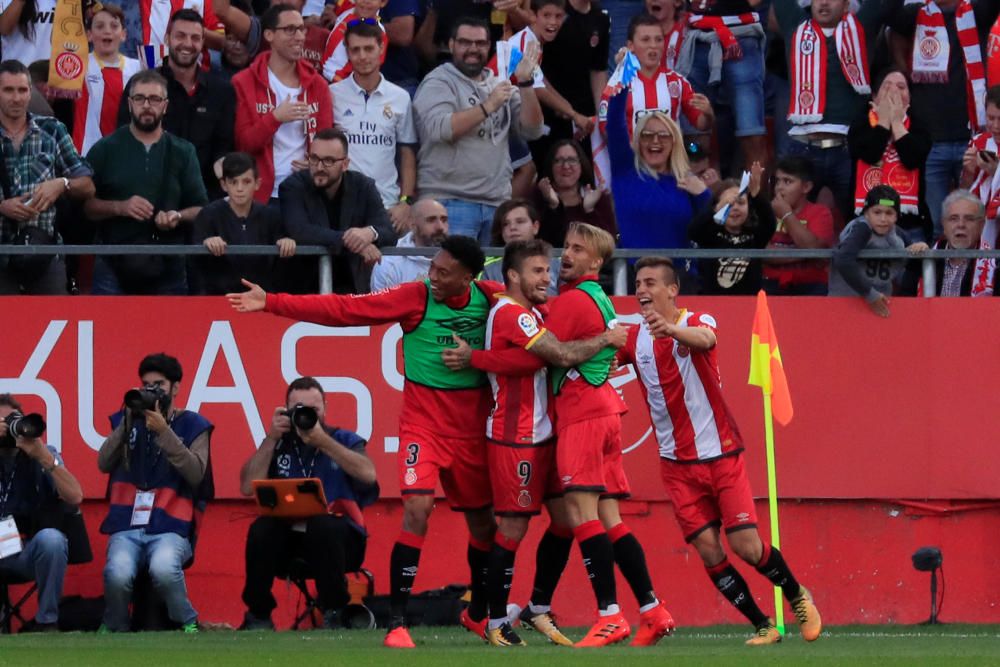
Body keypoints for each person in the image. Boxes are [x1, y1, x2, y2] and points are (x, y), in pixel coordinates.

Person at [227, 235, 501, 650]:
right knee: (417, 507)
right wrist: (273, 302)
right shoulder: (415, 296)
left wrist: (480, 359)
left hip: (473, 433)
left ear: (469, 277)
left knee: (484, 527)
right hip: (423, 427)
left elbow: (540, 333)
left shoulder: (495, 301)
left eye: (444, 272)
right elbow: (345, 309)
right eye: (433, 267)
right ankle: (397, 624)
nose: (433, 276)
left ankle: (480, 612)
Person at [617, 256, 823, 646]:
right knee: (709, 552)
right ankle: (763, 626)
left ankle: (798, 595)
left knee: (745, 545)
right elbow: (608, 353)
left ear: (672, 290)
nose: (641, 291)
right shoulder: (634, 338)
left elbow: (707, 341)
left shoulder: (698, 321)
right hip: (676, 464)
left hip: (720, 455)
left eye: (649, 283)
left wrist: (673, 330)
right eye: (638, 284)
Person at [441, 238, 630, 646]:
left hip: (544, 434)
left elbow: (535, 359)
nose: (548, 277)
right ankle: (493, 620)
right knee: (512, 527)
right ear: (513, 275)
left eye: (548, 269)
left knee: (564, 520)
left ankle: (538, 607)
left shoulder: (531, 311)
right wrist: (605, 341)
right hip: (517, 437)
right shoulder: (514, 314)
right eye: (538, 271)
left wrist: (477, 356)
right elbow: (557, 355)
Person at [238, 376, 378, 630]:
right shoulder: (278, 443)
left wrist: (322, 441)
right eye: (299, 410)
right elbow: (248, 486)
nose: (306, 416)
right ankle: (258, 614)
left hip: (340, 541)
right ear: (286, 412)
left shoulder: (344, 439)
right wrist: (270, 440)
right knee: (261, 528)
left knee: (323, 524)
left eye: (313, 410)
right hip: (289, 542)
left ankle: (335, 609)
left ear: (325, 407)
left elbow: (369, 474)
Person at [97, 353, 213, 633]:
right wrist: (126, 422)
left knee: (163, 568)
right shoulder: (127, 421)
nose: (152, 392)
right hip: (127, 524)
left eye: (159, 385)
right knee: (117, 573)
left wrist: (164, 432)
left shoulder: (194, 425)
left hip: (172, 526)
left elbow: (196, 472)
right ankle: (116, 627)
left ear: (176, 387)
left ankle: (187, 621)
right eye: (146, 385)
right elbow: (103, 463)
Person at [412, 17, 544, 244]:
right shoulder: (438, 81)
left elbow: (533, 130)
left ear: (489, 46)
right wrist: (488, 106)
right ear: (451, 45)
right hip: (448, 203)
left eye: (480, 43)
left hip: (497, 204)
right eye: (465, 42)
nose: (473, 49)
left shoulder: (498, 84)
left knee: (490, 280)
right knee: (453, 278)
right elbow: (441, 129)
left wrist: (525, 83)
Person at [85, 68, 208, 296]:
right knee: (108, 330)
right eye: (140, 98)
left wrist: (177, 216)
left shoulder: (183, 151)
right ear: (130, 104)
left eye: (155, 99)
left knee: (170, 331)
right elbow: (86, 207)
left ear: (165, 105)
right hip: (113, 262)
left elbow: (201, 208)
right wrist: (119, 207)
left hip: (168, 262)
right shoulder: (105, 148)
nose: (147, 105)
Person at [885, 0, 1000, 237]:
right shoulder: (915, 13)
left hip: (973, 139)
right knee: (940, 226)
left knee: (975, 224)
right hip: (932, 142)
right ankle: (938, 275)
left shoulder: (977, 11)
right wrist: (900, 65)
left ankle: (972, 275)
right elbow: (888, 13)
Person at [774, 0, 888, 222]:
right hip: (801, 147)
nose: (824, 3)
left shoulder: (861, 27)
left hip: (848, 150)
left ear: (847, 5)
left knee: (859, 220)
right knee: (789, 219)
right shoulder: (795, 26)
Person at [119, 9, 237, 200]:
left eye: (195, 38)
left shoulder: (222, 91)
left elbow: (224, 148)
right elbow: (125, 139)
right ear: (167, 39)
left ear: (202, 42)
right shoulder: (141, 85)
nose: (188, 44)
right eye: (180, 36)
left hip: (204, 198)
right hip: (149, 196)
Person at [0, 59, 95, 296]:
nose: (17, 97)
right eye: (8, 90)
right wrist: (2, 207)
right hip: (2, 254)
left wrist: (62, 184)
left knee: (56, 328)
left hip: (45, 255)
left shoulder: (52, 129)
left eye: (22, 90)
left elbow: (88, 186)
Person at [232, 3, 333, 204]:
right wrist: (276, 117)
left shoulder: (318, 85)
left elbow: (327, 144)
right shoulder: (243, 82)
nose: (299, 36)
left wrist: (315, 164)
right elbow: (244, 144)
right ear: (269, 35)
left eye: (301, 29)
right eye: (289, 30)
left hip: (306, 193)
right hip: (260, 195)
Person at [0, 394, 84, 632]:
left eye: (12, 422)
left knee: (52, 540)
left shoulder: (42, 452)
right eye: (2, 423)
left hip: (25, 550)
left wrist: (43, 457)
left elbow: (75, 496)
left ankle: (48, 622)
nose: (8, 430)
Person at [279, 127, 396, 294]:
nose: (319, 166)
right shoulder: (292, 187)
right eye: (314, 158)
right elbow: (299, 230)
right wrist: (353, 241)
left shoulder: (363, 186)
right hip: (304, 288)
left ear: (345, 164)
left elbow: (388, 232)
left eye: (328, 161)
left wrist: (369, 233)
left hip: (353, 288)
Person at [330, 19, 416, 230]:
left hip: (386, 204)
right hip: (342, 202)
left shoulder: (400, 97)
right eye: (355, 50)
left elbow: (407, 152)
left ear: (381, 48)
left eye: (368, 48)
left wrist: (405, 201)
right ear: (347, 53)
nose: (362, 56)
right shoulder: (333, 94)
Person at [605, 85, 709, 251]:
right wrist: (623, 75)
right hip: (637, 273)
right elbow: (615, 124)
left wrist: (704, 195)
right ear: (638, 142)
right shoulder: (626, 172)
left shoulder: (688, 183)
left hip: (680, 274)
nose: (655, 141)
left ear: (674, 142)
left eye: (663, 135)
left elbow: (713, 229)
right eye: (647, 135)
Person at [676, 0, 768, 171]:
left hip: (740, 36)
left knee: (751, 134)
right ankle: (700, 193)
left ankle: (755, 197)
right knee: (692, 134)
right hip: (698, 36)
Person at [193, 151, 297, 294]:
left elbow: (283, 264)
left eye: (246, 181)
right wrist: (206, 243)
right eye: (233, 182)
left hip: (262, 299)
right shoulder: (208, 215)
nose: (240, 188)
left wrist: (287, 242)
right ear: (224, 184)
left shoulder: (272, 216)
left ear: (257, 183)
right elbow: (195, 259)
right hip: (219, 299)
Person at [848, 69, 932, 244]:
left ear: (909, 96)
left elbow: (912, 159)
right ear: (874, 95)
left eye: (901, 87)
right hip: (865, 224)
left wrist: (896, 123)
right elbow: (870, 154)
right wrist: (884, 121)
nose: (894, 92)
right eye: (887, 87)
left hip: (909, 225)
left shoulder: (919, 125)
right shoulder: (860, 123)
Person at [600, 15, 712, 140]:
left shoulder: (677, 82)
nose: (653, 45)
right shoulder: (617, 84)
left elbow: (701, 124)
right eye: (645, 39)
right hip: (631, 157)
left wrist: (708, 114)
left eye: (658, 39)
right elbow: (606, 129)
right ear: (631, 45)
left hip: (669, 158)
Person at [828, 185, 927, 316]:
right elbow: (843, 259)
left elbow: (915, 267)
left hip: (879, 308)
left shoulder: (898, 235)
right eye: (877, 212)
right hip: (844, 305)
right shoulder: (861, 228)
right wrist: (870, 294)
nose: (883, 219)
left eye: (889, 213)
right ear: (866, 213)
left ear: (897, 216)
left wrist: (920, 249)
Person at [532, 0, 609, 156]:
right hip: (548, 110)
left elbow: (598, 70)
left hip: (583, 115)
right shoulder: (553, 11)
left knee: (583, 171)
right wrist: (564, 108)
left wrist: (602, 115)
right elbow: (535, 73)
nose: (553, 20)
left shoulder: (601, 18)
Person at [688, 161, 776, 294]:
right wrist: (716, 209)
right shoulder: (710, 233)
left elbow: (769, 222)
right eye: (727, 205)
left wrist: (756, 194)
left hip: (749, 303)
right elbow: (693, 231)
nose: (734, 208)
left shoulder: (755, 235)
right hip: (713, 303)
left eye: (740, 203)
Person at [73, 4, 143, 155]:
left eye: (114, 26)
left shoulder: (138, 68)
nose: (107, 31)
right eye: (100, 26)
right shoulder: (79, 65)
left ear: (123, 34)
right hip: (87, 152)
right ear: (89, 35)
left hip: (126, 153)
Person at [763, 156, 836, 295]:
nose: (779, 188)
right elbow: (762, 252)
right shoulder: (766, 211)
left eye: (787, 181)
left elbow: (813, 249)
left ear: (806, 187)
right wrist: (805, 253)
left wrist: (786, 215)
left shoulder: (820, 212)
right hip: (770, 283)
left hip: (810, 285)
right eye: (777, 181)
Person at [901, 189, 987, 296]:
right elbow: (906, 303)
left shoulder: (996, 266)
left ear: (981, 225)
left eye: (969, 219)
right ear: (943, 225)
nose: (961, 224)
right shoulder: (921, 262)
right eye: (953, 218)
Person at [534, 139, 618, 246]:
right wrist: (554, 206)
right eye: (558, 161)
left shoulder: (598, 197)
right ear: (551, 166)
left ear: (581, 164)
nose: (566, 166)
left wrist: (589, 210)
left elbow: (608, 243)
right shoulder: (539, 196)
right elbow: (543, 241)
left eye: (572, 160)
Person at [212, 0, 331, 74]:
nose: (283, 0)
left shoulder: (324, 37)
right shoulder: (260, 30)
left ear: (303, 2)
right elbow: (222, 10)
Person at [480, 199, 561, 295]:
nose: (512, 227)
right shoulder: (487, 267)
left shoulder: (559, 264)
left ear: (535, 227)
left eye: (520, 221)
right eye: (506, 224)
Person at [370, 198, 448, 291]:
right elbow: (382, 304)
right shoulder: (390, 264)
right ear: (412, 225)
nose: (440, 227)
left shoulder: (458, 259)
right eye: (431, 220)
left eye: (444, 220)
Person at [319, 0, 387, 82]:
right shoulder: (347, 9)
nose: (366, 1)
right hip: (320, 77)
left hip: (339, 86)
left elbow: (365, 73)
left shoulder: (379, 34)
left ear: (383, 2)